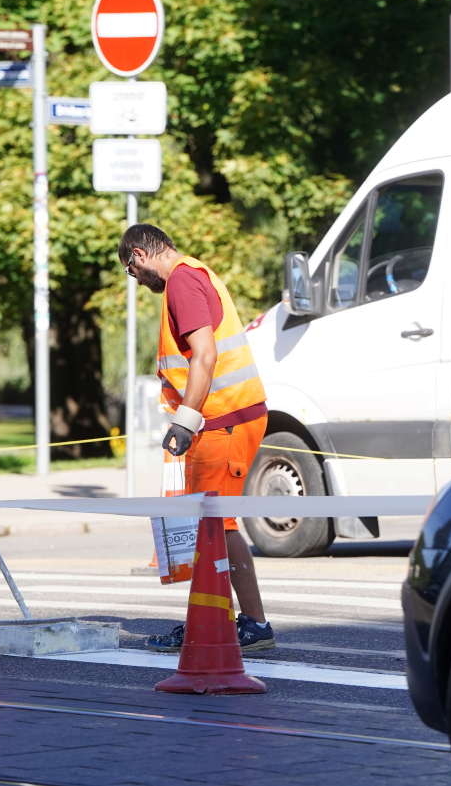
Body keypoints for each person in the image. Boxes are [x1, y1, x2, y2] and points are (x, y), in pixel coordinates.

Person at [119, 223, 276, 652]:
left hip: (222, 418)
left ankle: (243, 625)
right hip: (225, 416)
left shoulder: (182, 282)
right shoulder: (194, 274)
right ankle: (216, 621)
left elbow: (205, 354)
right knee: (213, 526)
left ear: (139, 255)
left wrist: (185, 420)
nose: (138, 280)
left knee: (216, 527)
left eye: (132, 272)